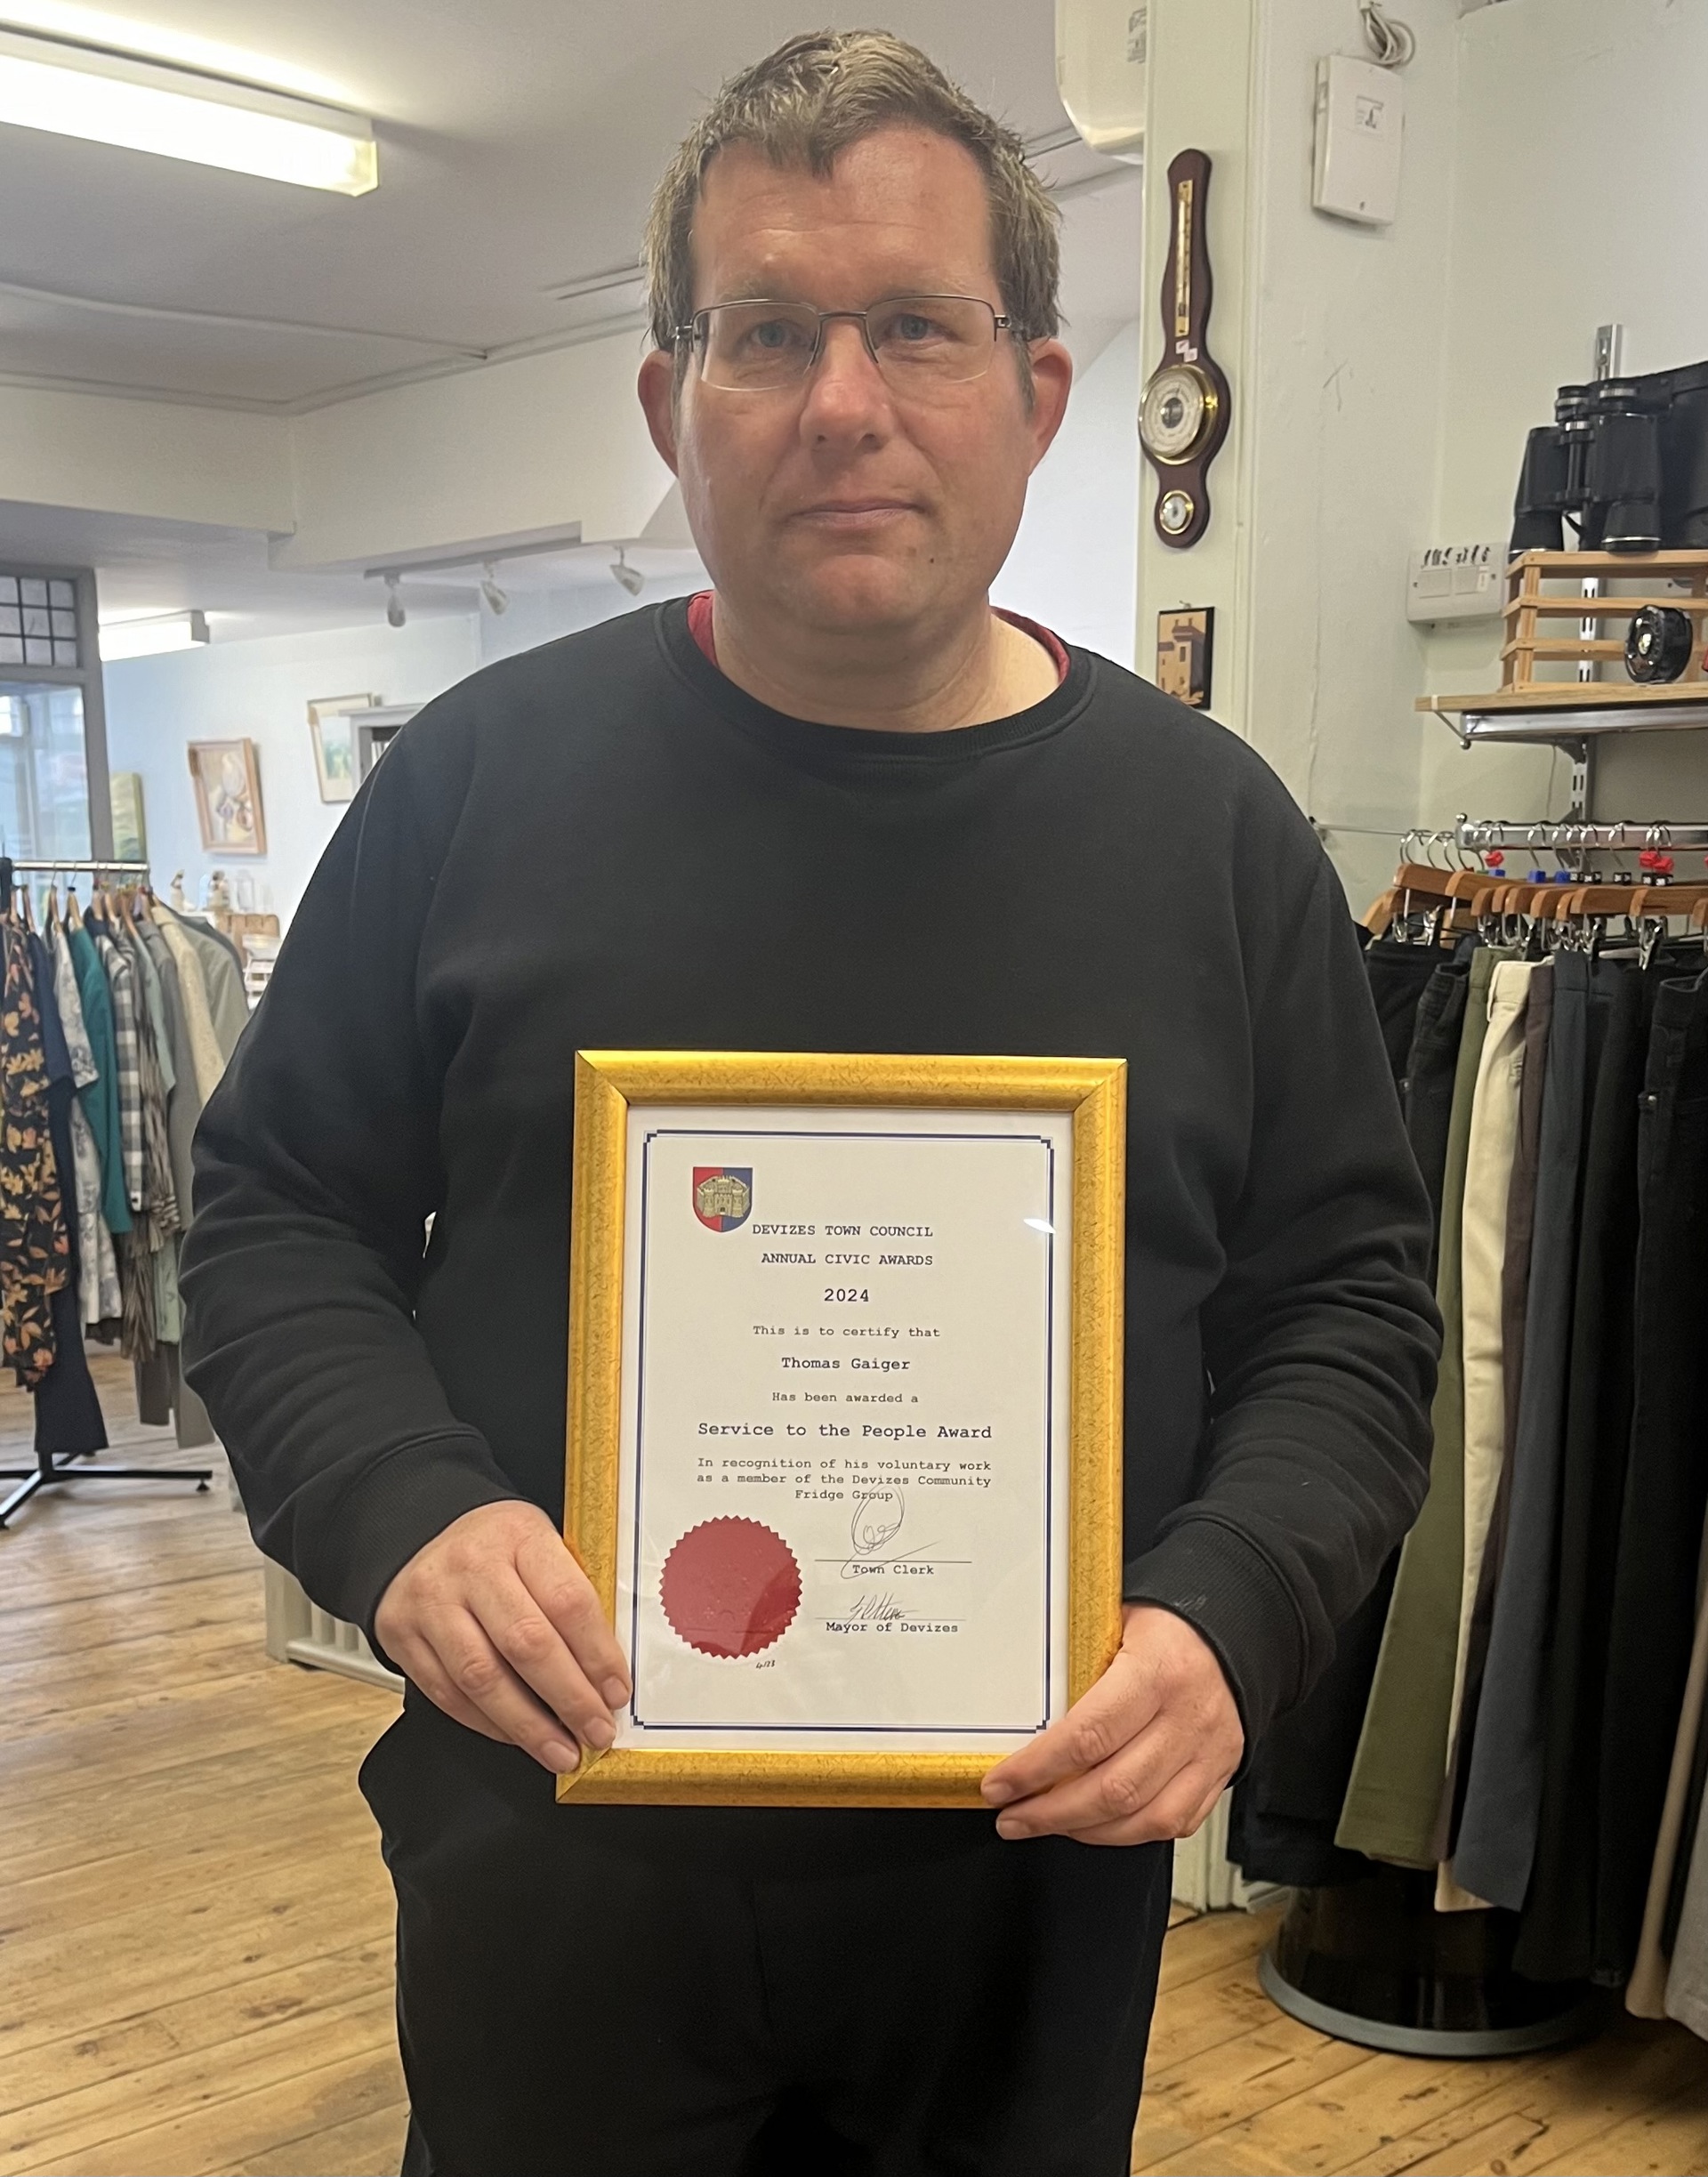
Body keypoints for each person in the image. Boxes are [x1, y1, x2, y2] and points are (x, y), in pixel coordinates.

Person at [181, 29, 1438, 2177]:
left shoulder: (1214, 842)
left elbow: (1350, 1312)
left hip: (1022, 1874)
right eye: (766, 331)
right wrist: (401, 1508)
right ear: (672, 400)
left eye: (917, 328)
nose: (843, 400)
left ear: (1037, 396)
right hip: (555, 1839)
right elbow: (274, 1217)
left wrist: (1234, 1605)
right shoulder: (473, 788)